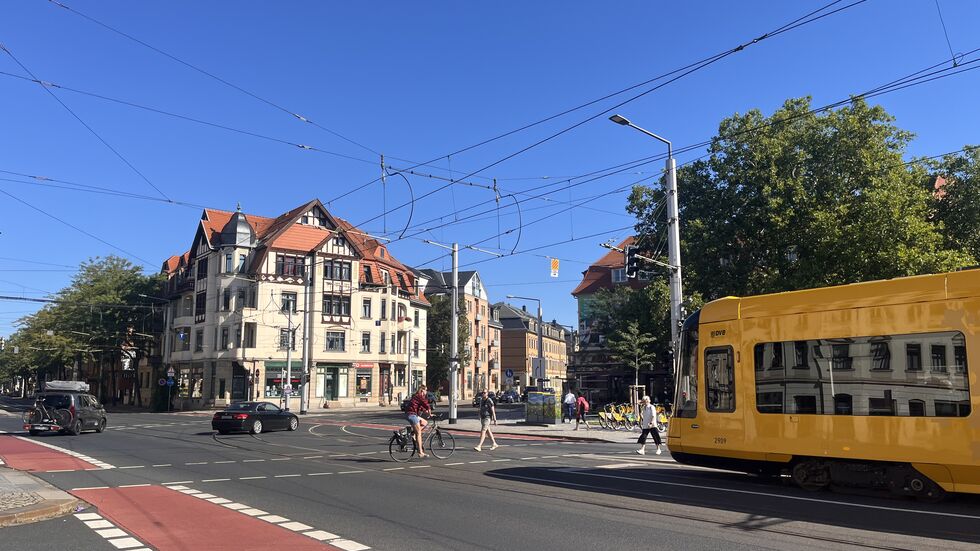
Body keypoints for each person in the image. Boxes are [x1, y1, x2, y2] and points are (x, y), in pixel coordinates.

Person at [405, 385, 432, 458]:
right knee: (419, 433)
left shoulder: (417, 397)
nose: (426, 392)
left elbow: (421, 407)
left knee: (425, 422)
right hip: (411, 415)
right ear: (422, 390)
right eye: (426, 390)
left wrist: (427, 412)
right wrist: (430, 412)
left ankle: (414, 433)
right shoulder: (419, 396)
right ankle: (420, 452)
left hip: (413, 414)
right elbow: (426, 404)